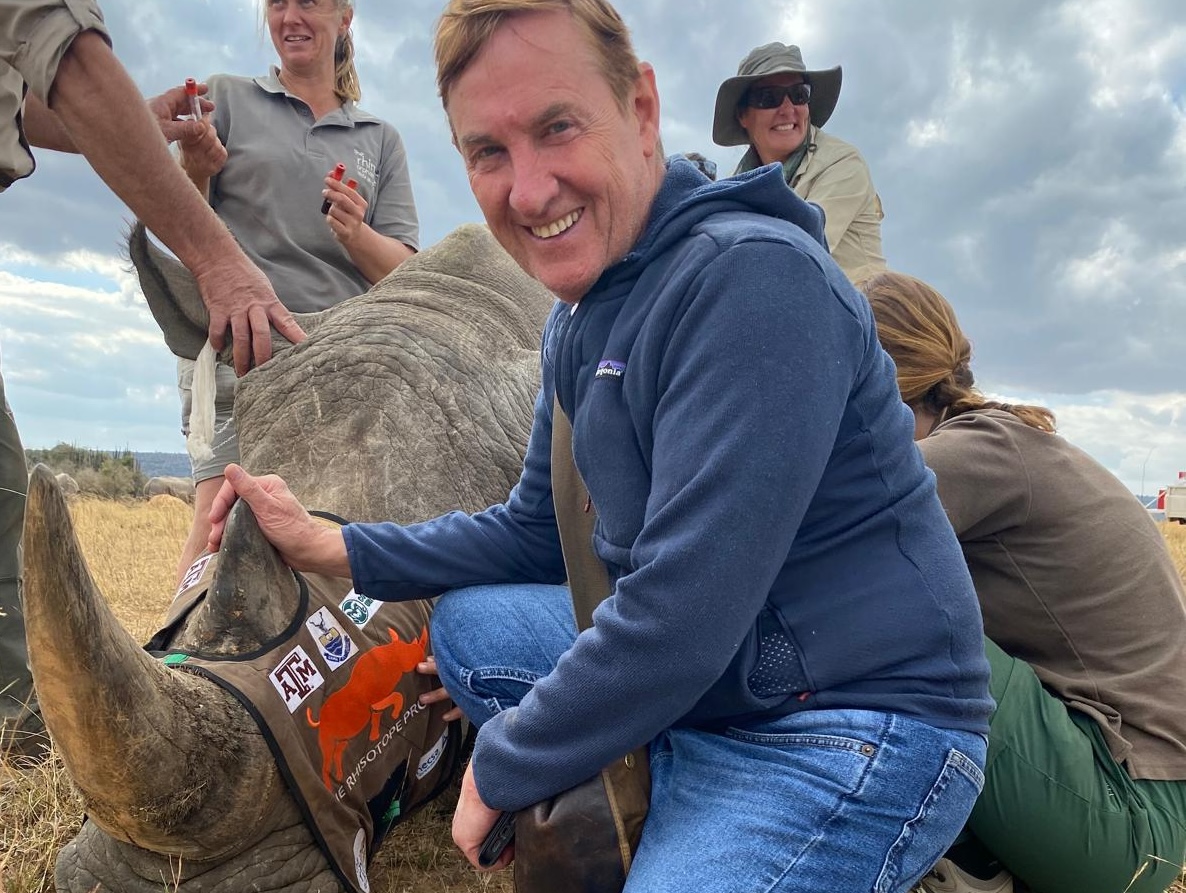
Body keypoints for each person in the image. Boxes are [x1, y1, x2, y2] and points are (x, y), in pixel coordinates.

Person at [207, 1, 994, 890]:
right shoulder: (582, 321)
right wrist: (333, 543)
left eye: (558, 127)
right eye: (488, 153)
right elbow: (532, 532)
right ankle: (656, 771)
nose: (530, 189)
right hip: (711, 683)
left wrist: (503, 763)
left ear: (643, 110)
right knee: (471, 627)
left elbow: (679, 614)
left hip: (845, 716)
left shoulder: (753, 280)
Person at [0, 0, 306, 759]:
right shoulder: (236, 98)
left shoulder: (374, 136)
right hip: (242, 339)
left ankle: (33, 738)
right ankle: (36, 739)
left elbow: (40, 96)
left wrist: (133, 115)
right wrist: (217, 255)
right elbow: (65, 56)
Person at [859, 271, 1186, 893]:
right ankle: (967, 852)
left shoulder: (975, 452)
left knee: (890, 607)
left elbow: (810, 539)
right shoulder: (999, 439)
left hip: (1128, 822)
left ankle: (949, 857)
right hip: (1118, 804)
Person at [173, 0, 421, 581]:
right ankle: (171, 659)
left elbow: (403, 273)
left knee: (330, 530)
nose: (290, 17)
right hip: (241, 344)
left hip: (343, 363)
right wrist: (196, 167)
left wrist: (357, 235)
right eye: (277, 2)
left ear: (345, 16)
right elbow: (183, 220)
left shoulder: (379, 139)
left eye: (308, 1)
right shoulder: (224, 98)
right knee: (216, 517)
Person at [712, 41, 885, 282]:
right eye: (768, 97)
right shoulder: (734, 186)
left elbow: (798, 253)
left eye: (798, 95)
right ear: (743, 115)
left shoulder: (842, 163)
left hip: (863, 316)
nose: (787, 108)